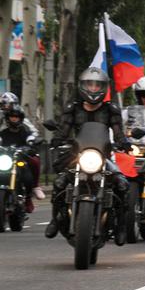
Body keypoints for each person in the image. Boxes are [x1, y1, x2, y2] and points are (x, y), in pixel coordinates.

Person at [44, 67, 131, 245]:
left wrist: (124, 142)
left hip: (102, 155)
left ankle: (121, 225)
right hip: (78, 155)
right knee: (60, 183)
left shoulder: (110, 110)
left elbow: (117, 130)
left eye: (97, 85)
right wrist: (57, 138)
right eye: (89, 85)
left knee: (122, 184)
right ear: (82, 87)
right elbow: (64, 129)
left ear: (104, 88)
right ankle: (56, 218)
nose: (93, 89)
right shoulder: (73, 109)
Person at [0, 92, 44, 202]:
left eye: (6, 104)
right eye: (2, 104)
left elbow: (33, 131)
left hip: (19, 150)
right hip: (3, 149)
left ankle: (35, 186)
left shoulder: (20, 115)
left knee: (34, 160)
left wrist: (31, 139)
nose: (4, 107)